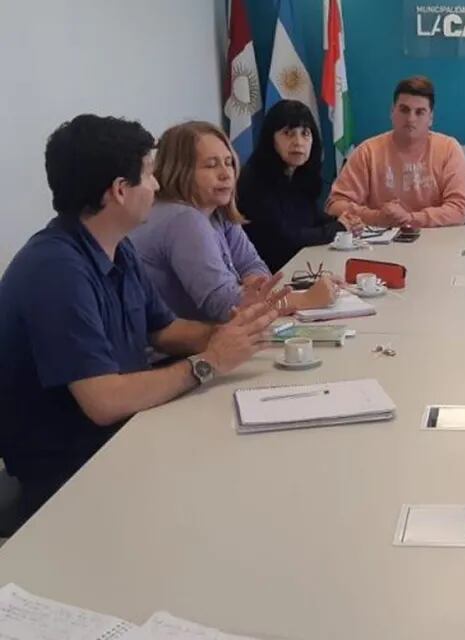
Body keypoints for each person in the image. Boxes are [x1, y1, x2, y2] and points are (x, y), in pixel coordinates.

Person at [0, 115, 280, 517]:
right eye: (149, 175)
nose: (157, 186)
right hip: (70, 469)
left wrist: (234, 332)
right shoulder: (56, 269)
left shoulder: (117, 247)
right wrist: (210, 362)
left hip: (123, 432)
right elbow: (103, 401)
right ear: (118, 191)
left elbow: (163, 330)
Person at [130, 121, 337, 323]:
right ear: (179, 170)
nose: (226, 174)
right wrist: (307, 299)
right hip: (180, 351)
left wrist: (256, 290)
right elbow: (224, 306)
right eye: (211, 165)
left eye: (229, 163)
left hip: (213, 339)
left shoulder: (216, 211)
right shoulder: (182, 219)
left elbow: (252, 265)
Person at [325, 75, 465, 227]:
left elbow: (459, 209)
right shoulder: (368, 152)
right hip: (379, 243)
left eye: (419, 112)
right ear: (392, 112)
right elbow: (334, 206)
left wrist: (409, 218)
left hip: (436, 242)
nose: (411, 119)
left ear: (431, 118)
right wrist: (376, 217)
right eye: (404, 110)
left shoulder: (449, 149)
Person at [237, 100, 353, 273]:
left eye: (305, 133)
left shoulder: (298, 174)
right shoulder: (255, 179)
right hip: (267, 276)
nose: (298, 142)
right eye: (288, 133)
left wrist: (344, 221)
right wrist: (338, 228)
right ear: (271, 139)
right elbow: (286, 238)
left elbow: (310, 217)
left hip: (297, 266)